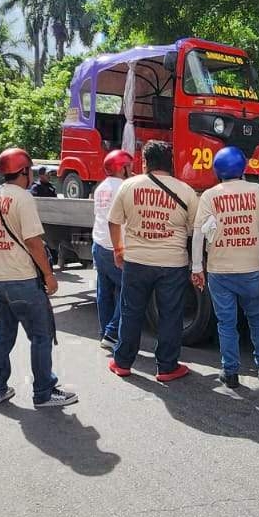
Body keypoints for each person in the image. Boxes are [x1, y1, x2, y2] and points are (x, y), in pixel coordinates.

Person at [0, 147, 78, 409]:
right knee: (40, 336)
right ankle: (44, 392)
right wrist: (49, 274)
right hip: (23, 279)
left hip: (0, 280)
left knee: (3, 335)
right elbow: (33, 242)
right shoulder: (23, 199)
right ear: (23, 171)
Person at [107, 140, 199, 382]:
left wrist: (118, 250)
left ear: (145, 162)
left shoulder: (128, 186)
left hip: (136, 261)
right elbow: (194, 229)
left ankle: (123, 362)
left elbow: (113, 221)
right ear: (171, 163)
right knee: (171, 315)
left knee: (131, 312)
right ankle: (167, 366)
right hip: (172, 263)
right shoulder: (186, 191)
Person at [192, 146, 259, 388]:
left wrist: (197, 267)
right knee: (258, 317)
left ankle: (230, 372)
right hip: (251, 267)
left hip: (220, 269)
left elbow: (198, 232)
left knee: (226, 322)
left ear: (217, 170)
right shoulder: (256, 190)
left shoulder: (209, 195)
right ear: (242, 168)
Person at [92, 149, 134, 350]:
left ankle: (104, 332)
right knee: (128, 290)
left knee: (104, 291)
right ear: (122, 168)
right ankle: (111, 332)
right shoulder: (125, 187)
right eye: (129, 166)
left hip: (99, 245)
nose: (132, 169)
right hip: (116, 246)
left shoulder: (101, 187)